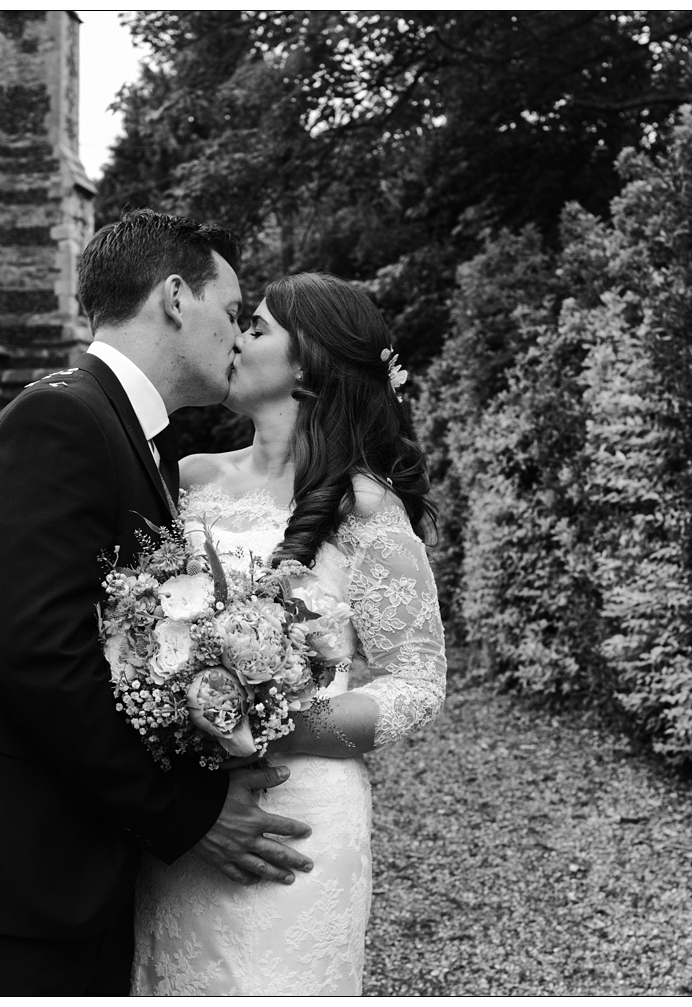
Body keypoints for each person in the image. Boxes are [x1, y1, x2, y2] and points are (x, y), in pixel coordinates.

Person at [0, 209, 316, 996]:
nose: (238, 337)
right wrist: (188, 811)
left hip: (50, 879)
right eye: (232, 313)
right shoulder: (58, 419)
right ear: (175, 298)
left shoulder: (132, 435)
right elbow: (39, 658)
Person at [131, 271, 447, 994]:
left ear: (306, 361)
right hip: (189, 812)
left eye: (258, 327)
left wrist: (277, 724)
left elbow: (420, 682)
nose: (235, 340)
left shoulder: (366, 506)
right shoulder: (186, 479)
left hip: (299, 810)